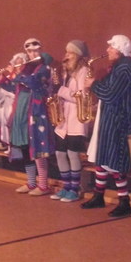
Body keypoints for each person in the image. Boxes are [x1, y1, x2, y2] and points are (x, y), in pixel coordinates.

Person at [81, 35, 131, 217]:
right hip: (108, 119)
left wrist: (94, 84)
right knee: (102, 158)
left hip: (118, 122)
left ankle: (124, 201)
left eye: (111, 47)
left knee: (116, 161)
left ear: (120, 49)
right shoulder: (117, 68)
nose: (107, 50)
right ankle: (99, 195)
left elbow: (111, 94)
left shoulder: (125, 69)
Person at [0, 38, 54, 196]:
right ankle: (31, 182)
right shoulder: (25, 68)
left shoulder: (44, 67)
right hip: (21, 109)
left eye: (35, 50)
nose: (33, 53)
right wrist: (3, 79)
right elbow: (14, 87)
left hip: (35, 111)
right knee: (24, 146)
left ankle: (43, 185)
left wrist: (17, 74)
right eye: (29, 51)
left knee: (37, 147)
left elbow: (35, 83)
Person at [50, 40, 91, 203]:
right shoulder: (66, 71)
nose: (66, 55)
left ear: (78, 55)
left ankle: (75, 188)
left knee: (72, 154)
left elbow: (81, 97)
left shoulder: (84, 71)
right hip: (63, 120)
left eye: (70, 53)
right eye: (66, 52)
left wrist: (60, 90)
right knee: (59, 153)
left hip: (76, 118)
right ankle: (66, 186)